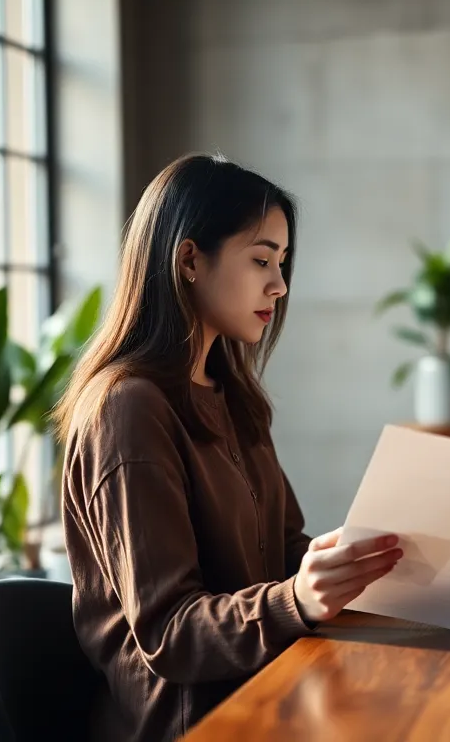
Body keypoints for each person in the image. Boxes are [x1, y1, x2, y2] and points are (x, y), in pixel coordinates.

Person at [53, 153, 404, 742]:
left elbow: (281, 550)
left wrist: (354, 564)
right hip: (195, 721)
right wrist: (296, 598)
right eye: (261, 259)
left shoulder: (232, 395)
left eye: (283, 262)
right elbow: (168, 631)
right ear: (190, 259)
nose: (280, 284)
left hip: (271, 683)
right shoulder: (128, 409)